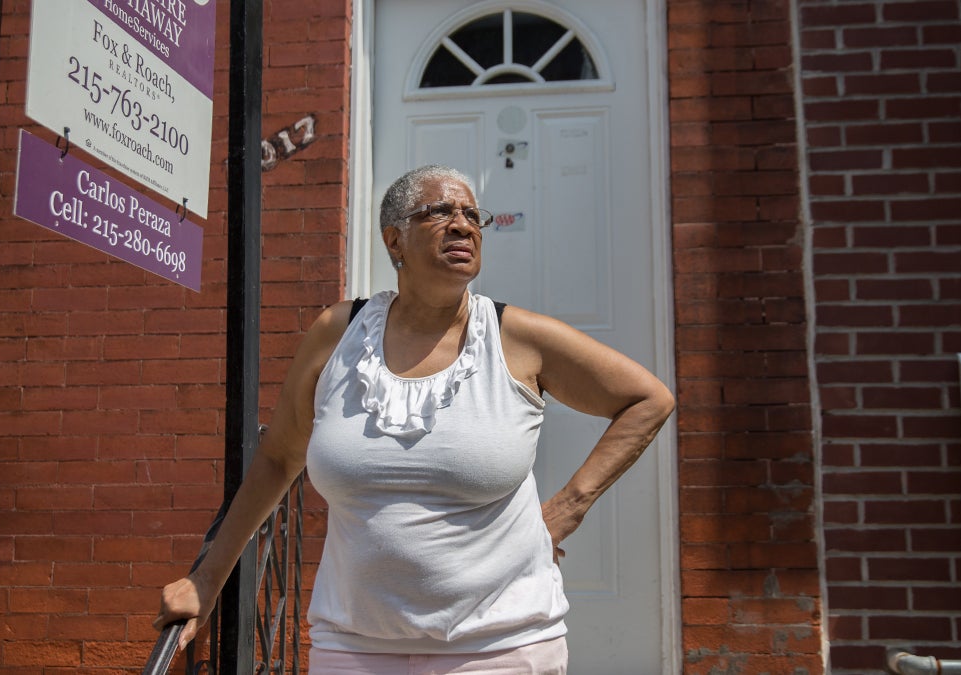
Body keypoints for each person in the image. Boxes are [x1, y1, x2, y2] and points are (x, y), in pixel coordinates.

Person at [154, 165, 675, 674]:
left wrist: (567, 509)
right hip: (353, 646)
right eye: (440, 211)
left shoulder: (517, 339)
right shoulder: (338, 333)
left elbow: (647, 399)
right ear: (394, 241)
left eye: (472, 214)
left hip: (501, 645)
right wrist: (207, 580)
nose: (463, 224)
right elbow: (279, 456)